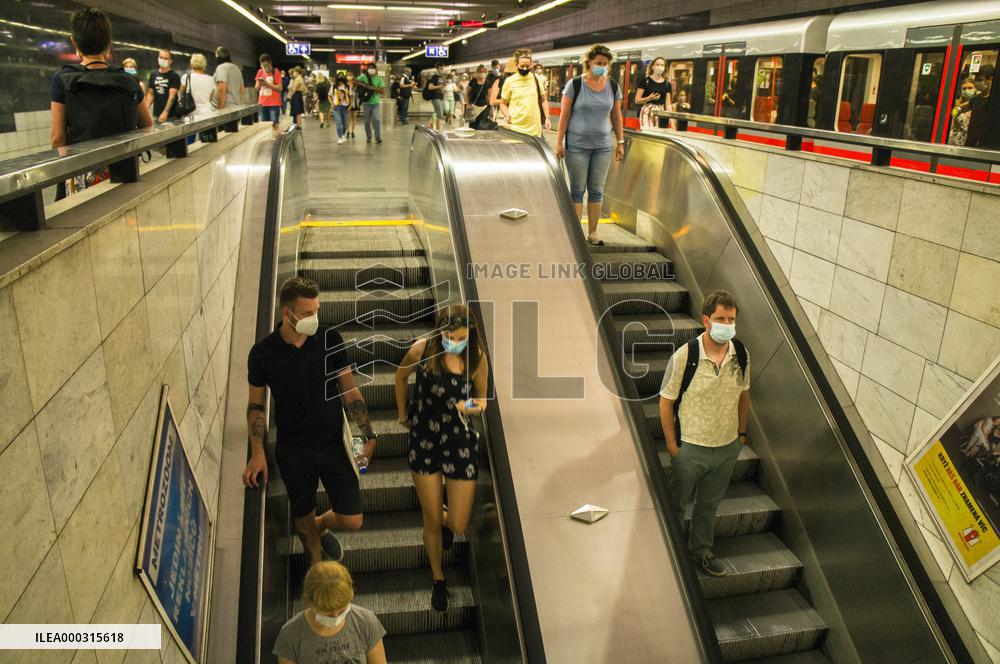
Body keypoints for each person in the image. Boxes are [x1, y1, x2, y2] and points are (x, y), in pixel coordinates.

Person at [244, 276, 378, 568]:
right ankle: (316, 579)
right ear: (286, 314)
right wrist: (257, 452)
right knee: (304, 532)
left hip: (334, 445)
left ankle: (321, 525)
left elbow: (348, 389)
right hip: (294, 451)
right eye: (307, 313)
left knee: (352, 521)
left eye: (316, 310)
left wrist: (368, 434)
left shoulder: (330, 339)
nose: (314, 318)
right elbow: (256, 406)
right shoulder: (262, 354)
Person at [395, 304, 488, 612]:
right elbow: (400, 377)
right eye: (449, 335)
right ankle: (438, 577)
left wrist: (468, 407)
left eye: (460, 337)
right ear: (439, 331)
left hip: (459, 442)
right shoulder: (422, 350)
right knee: (432, 519)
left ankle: (445, 521)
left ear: (469, 334)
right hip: (424, 442)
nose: (454, 341)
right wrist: (402, 414)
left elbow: (483, 401)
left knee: (458, 524)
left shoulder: (476, 359)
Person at [659, 290, 750, 578]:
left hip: (726, 447)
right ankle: (671, 552)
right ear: (707, 321)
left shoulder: (742, 354)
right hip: (691, 447)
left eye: (731, 319)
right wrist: (674, 447)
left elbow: (744, 395)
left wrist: (741, 435)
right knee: (676, 503)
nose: (727, 323)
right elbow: (666, 401)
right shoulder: (686, 355)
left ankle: (700, 551)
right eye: (721, 318)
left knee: (708, 506)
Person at [49, 8, 151, 199]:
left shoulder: (62, 79)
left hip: (83, 174)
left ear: (75, 42)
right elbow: (147, 126)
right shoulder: (128, 81)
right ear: (109, 44)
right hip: (125, 171)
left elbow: (57, 138)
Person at [555, 44, 624, 246]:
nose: (602, 67)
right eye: (598, 63)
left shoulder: (612, 86)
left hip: (603, 146)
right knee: (577, 189)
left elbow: (617, 116)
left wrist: (620, 141)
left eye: (605, 64)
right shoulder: (574, 85)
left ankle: (593, 232)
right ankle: (576, 233)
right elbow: (564, 115)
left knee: (597, 189)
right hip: (577, 146)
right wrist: (559, 142)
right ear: (589, 63)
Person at [273, 561, 387, 664]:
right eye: (328, 614)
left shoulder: (365, 621)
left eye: (342, 610)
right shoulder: (290, 635)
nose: (336, 617)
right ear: (311, 602)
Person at [499, 48, 551, 136]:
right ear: (516, 64)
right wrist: (506, 115)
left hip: (534, 129)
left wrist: (547, 117)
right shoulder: (510, 81)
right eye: (522, 66)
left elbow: (543, 100)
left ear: (531, 64)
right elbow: (503, 103)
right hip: (515, 128)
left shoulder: (537, 79)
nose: (524, 68)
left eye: (527, 66)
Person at [634, 56, 672, 130]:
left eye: (662, 65)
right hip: (647, 112)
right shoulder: (645, 81)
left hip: (661, 113)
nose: (660, 67)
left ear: (665, 68)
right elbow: (637, 100)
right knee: (648, 133)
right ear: (652, 67)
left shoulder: (667, 84)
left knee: (658, 135)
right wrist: (649, 98)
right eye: (657, 64)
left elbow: (668, 103)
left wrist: (671, 118)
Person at [146, 49, 180, 123]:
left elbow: (172, 97)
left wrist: (165, 112)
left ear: (170, 61)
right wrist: (146, 109)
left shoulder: (174, 76)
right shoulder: (153, 74)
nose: (162, 60)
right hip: (156, 114)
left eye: (165, 58)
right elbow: (151, 94)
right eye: (161, 57)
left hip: (171, 115)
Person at [356, 64, 384, 144]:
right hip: (366, 103)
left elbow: (382, 91)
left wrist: (372, 88)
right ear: (367, 69)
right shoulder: (364, 77)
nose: (371, 70)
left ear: (375, 70)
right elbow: (354, 81)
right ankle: (369, 137)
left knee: (377, 120)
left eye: (373, 68)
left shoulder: (379, 79)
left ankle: (378, 137)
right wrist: (363, 84)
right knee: (367, 121)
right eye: (370, 68)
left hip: (375, 103)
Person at [967, 64, 994, 148]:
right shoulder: (977, 98)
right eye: (975, 79)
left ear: (990, 80)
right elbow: (965, 107)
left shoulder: (994, 100)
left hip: (983, 145)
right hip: (970, 141)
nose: (976, 82)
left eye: (980, 79)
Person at [948, 78, 978, 146]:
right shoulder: (957, 104)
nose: (967, 90)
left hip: (971, 140)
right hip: (956, 139)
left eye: (970, 88)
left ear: (976, 89)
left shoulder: (978, 104)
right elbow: (953, 114)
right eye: (964, 89)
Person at [255, 54, 282, 127]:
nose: (265, 68)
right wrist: (260, 83)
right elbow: (256, 88)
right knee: (263, 127)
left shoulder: (275, 72)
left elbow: (280, 88)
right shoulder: (260, 72)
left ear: (270, 63)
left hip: (274, 104)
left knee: (274, 126)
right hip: (262, 104)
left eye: (266, 65)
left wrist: (268, 84)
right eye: (263, 66)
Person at [426, 63, 447, 130]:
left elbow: (442, 87)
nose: (442, 70)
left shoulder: (442, 77)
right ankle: (435, 127)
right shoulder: (434, 77)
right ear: (437, 69)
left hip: (441, 96)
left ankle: (432, 127)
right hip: (435, 97)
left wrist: (443, 87)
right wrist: (439, 86)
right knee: (440, 115)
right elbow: (430, 87)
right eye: (441, 69)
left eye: (443, 69)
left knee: (437, 113)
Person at [332, 74, 351, 144]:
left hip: (345, 107)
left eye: (342, 77)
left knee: (345, 123)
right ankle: (340, 137)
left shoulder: (347, 86)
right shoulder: (334, 86)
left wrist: (350, 105)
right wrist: (332, 103)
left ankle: (343, 135)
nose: (341, 79)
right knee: (339, 122)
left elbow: (351, 96)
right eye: (339, 78)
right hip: (336, 107)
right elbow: (329, 96)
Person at [346, 71, 358, 138]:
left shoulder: (355, 83)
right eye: (348, 75)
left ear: (353, 76)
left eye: (350, 75)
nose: (349, 76)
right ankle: (348, 131)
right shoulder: (345, 84)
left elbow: (358, 92)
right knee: (348, 117)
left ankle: (352, 131)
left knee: (353, 117)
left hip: (354, 101)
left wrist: (355, 89)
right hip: (347, 102)